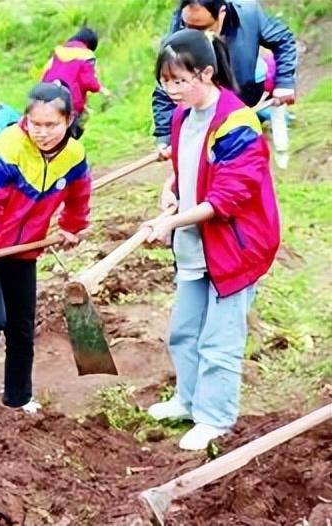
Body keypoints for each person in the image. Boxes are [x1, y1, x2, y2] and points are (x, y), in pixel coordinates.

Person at [144, 29, 280, 450]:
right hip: (194, 245)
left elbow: (227, 198)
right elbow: (190, 168)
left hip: (234, 246)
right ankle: (188, 401)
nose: (171, 90)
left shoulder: (238, 122)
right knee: (184, 332)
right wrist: (171, 190)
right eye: (165, 81)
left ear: (207, 72)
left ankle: (215, 418)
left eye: (179, 80)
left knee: (219, 341)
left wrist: (171, 223)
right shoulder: (182, 116)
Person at [0, 82, 91, 411]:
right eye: (35, 124)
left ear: (68, 120)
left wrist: (72, 226)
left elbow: (79, 194)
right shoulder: (4, 151)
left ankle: (18, 397)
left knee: (21, 327)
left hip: (24, 249)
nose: (41, 133)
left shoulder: (73, 156)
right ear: (25, 118)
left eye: (51, 125)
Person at [152, 0, 297, 161]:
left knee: (238, 166)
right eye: (187, 26)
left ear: (221, 14)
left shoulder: (248, 14)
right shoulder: (179, 30)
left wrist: (284, 82)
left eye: (201, 29)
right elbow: (166, 84)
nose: (192, 36)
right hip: (200, 116)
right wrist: (165, 137)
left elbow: (283, 40)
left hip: (241, 104)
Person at [42, 27, 111, 138]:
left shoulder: (57, 52)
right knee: (73, 133)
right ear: (90, 44)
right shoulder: (86, 54)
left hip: (48, 99)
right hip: (71, 101)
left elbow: (44, 75)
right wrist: (101, 89)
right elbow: (88, 81)